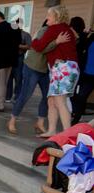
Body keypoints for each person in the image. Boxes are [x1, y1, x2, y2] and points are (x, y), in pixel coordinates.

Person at [7, 22, 71, 134]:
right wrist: (57, 42)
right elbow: (39, 47)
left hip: (46, 69)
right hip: (33, 66)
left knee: (48, 97)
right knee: (25, 95)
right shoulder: (44, 30)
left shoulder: (58, 31)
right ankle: (12, 120)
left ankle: (40, 122)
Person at [31, 5, 79, 137]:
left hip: (63, 67)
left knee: (59, 101)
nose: (47, 18)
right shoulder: (66, 29)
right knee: (51, 101)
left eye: (49, 15)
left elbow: (39, 47)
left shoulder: (55, 28)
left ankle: (67, 134)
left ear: (56, 17)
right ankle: (52, 130)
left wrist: (34, 38)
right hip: (68, 67)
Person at [6, 18, 32, 103]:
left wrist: (18, 45)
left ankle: (17, 97)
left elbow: (29, 46)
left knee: (18, 78)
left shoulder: (25, 34)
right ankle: (7, 97)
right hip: (9, 58)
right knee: (9, 78)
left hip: (19, 58)